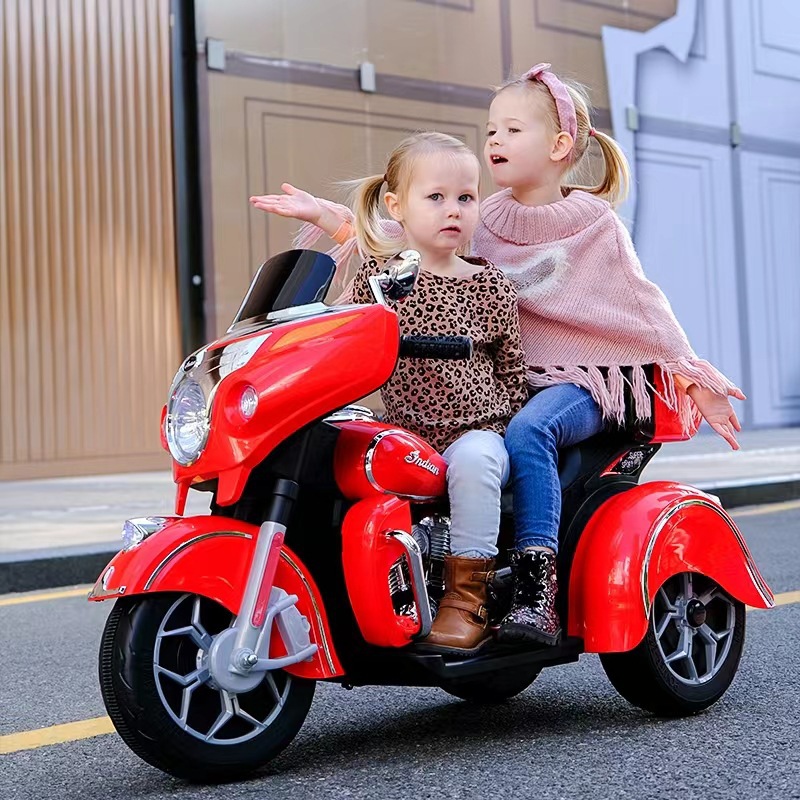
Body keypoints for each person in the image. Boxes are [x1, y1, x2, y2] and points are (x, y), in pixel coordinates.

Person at [249, 65, 744, 650]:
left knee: (529, 430)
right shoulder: (482, 220)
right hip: (506, 379)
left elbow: (642, 306)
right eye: (490, 131)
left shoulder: (596, 225)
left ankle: (537, 588)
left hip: (585, 379)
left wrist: (691, 375)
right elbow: (409, 237)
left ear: (560, 146)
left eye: (511, 130)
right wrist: (329, 219)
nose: (494, 142)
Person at [333, 131, 528, 655]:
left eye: (466, 198)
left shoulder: (489, 285)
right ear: (397, 206)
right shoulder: (378, 281)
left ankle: (469, 597)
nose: (453, 210)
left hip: (475, 430)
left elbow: (511, 367)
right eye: (436, 197)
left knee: (475, 465)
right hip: (403, 432)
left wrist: (505, 424)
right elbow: (345, 344)